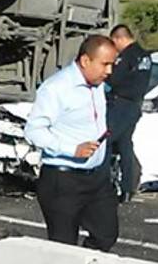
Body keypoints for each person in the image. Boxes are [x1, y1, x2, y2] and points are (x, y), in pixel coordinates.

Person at [24, 35, 118, 251]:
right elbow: (33, 131)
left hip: (96, 178)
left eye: (112, 64)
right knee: (64, 247)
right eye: (105, 64)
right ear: (85, 61)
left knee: (106, 234)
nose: (109, 71)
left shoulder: (98, 85)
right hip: (63, 179)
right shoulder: (56, 88)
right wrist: (72, 149)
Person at [106, 24, 150, 202]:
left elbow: (114, 78)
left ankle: (100, 184)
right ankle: (127, 187)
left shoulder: (126, 56)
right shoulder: (144, 55)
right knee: (125, 145)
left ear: (119, 39)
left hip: (120, 104)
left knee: (105, 141)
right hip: (135, 105)